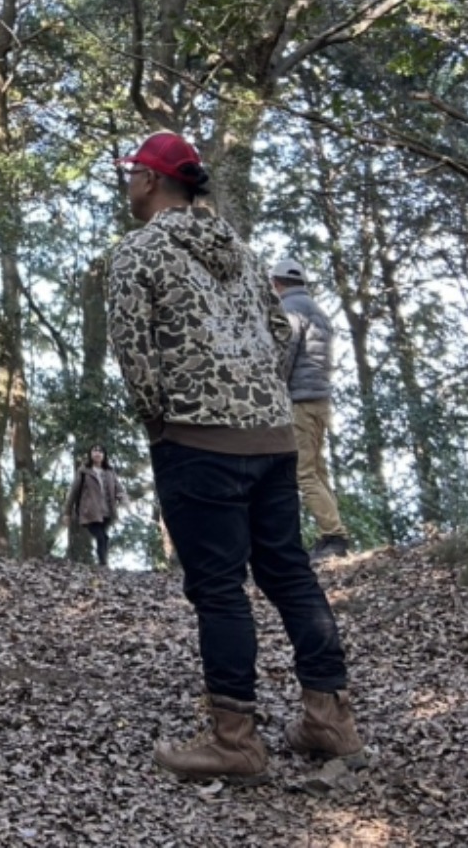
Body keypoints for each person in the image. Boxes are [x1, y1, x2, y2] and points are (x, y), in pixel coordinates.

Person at [107, 130, 364, 784]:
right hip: (272, 437)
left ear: (152, 181)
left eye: (132, 171)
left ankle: (234, 739)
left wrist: (163, 421)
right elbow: (279, 335)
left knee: (219, 588)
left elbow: (135, 352)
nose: (127, 182)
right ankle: (329, 718)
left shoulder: (138, 252)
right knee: (288, 572)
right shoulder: (247, 255)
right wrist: (258, 401)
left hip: (198, 441)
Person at [272, 256, 349, 561]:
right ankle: (333, 532)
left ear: (276, 283)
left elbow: (285, 352)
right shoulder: (318, 312)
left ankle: (334, 536)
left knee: (304, 473)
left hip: (300, 401)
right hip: (321, 400)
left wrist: (274, 387)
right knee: (318, 469)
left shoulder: (289, 310)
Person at [62, 444, 122, 567]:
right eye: (95, 451)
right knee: (101, 537)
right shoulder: (84, 471)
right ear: (90, 454)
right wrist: (67, 513)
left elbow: (119, 489)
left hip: (107, 512)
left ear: (104, 455)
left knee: (104, 537)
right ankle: (103, 564)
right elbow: (73, 492)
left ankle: (103, 564)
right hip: (90, 511)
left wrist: (123, 500)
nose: (97, 453)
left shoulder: (110, 472)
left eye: (100, 451)